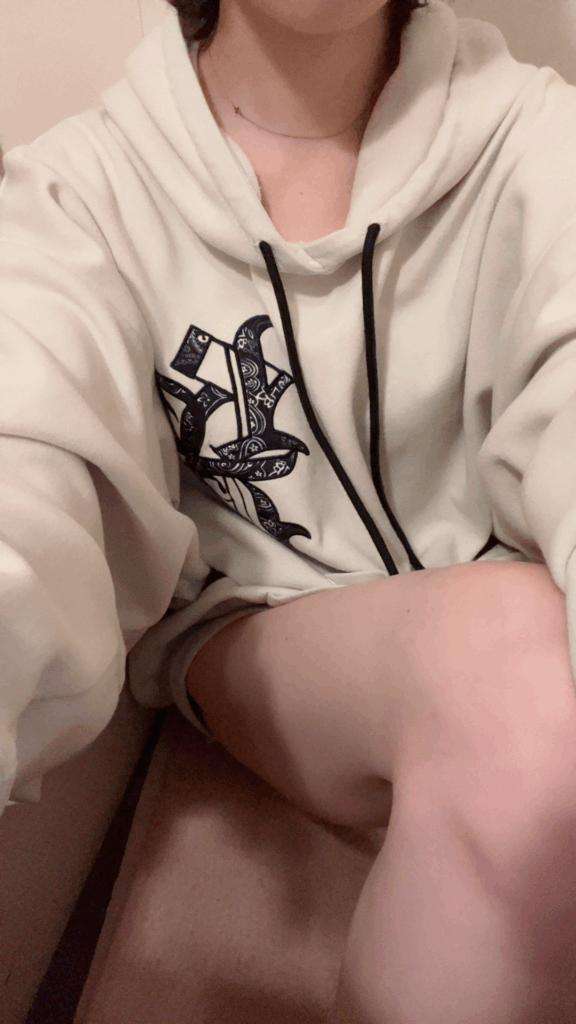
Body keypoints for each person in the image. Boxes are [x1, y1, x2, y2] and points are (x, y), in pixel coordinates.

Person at [2, 0, 576, 1018]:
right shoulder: (75, 199)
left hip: (505, 621)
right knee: (521, 666)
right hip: (254, 636)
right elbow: (24, 487)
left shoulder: (539, 144)